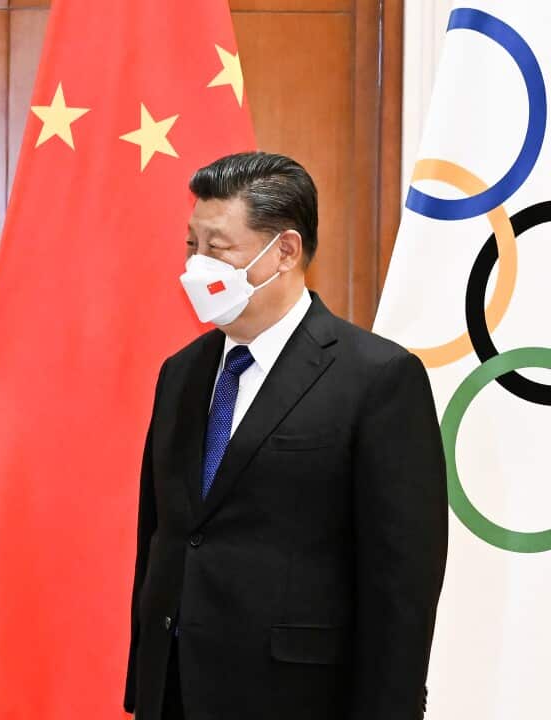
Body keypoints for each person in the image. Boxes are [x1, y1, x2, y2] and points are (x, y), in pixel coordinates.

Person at [124, 152, 448, 719]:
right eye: (192, 245)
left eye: (218, 248)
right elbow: (160, 535)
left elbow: (403, 582)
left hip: (298, 696)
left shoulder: (377, 378)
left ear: (286, 251)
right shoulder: (182, 372)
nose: (197, 265)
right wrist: (145, 684)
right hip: (174, 689)